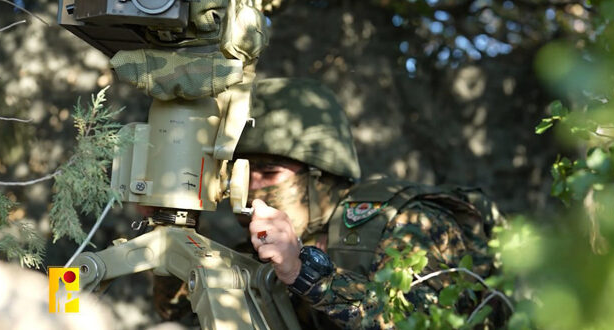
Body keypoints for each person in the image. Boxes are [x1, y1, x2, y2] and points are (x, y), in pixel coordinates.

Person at [155, 77, 508, 328]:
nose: (248, 187)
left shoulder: (404, 223)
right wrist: (174, 226)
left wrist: (302, 271)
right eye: (241, 172)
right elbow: (173, 309)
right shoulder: (259, 247)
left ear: (320, 177)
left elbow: (422, 322)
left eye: (267, 171)